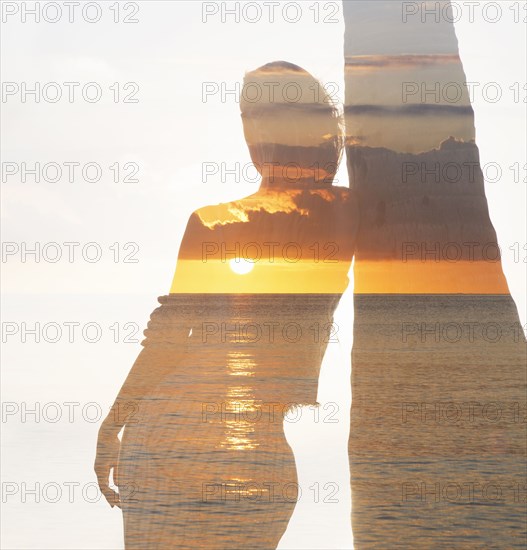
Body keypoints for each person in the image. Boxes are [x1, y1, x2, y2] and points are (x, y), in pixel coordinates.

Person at [95, 61, 358, 549]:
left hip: (175, 438)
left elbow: (169, 338)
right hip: (247, 442)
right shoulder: (352, 212)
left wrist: (112, 426)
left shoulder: (216, 223)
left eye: (254, 118)